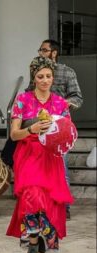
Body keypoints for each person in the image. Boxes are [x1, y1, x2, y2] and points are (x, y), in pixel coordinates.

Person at [6, 56, 73, 253]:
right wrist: (32, 129)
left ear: (53, 78)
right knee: (32, 198)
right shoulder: (23, 100)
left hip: (51, 157)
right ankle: (33, 243)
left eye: (48, 76)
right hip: (29, 155)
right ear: (34, 77)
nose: (45, 80)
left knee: (51, 207)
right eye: (40, 76)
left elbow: (68, 133)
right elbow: (14, 134)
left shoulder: (60, 104)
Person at [32, 39, 83, 220]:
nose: (41, 53)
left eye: (44, 50)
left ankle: (64, 206)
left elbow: (77, 97)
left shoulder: (67, 72)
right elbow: (30, 95)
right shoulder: (36, 70)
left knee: (62, 168)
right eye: (40, 49)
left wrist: (63, 105)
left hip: (60, 128)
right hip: (39, 127)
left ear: (54, 53)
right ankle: (42, 204)